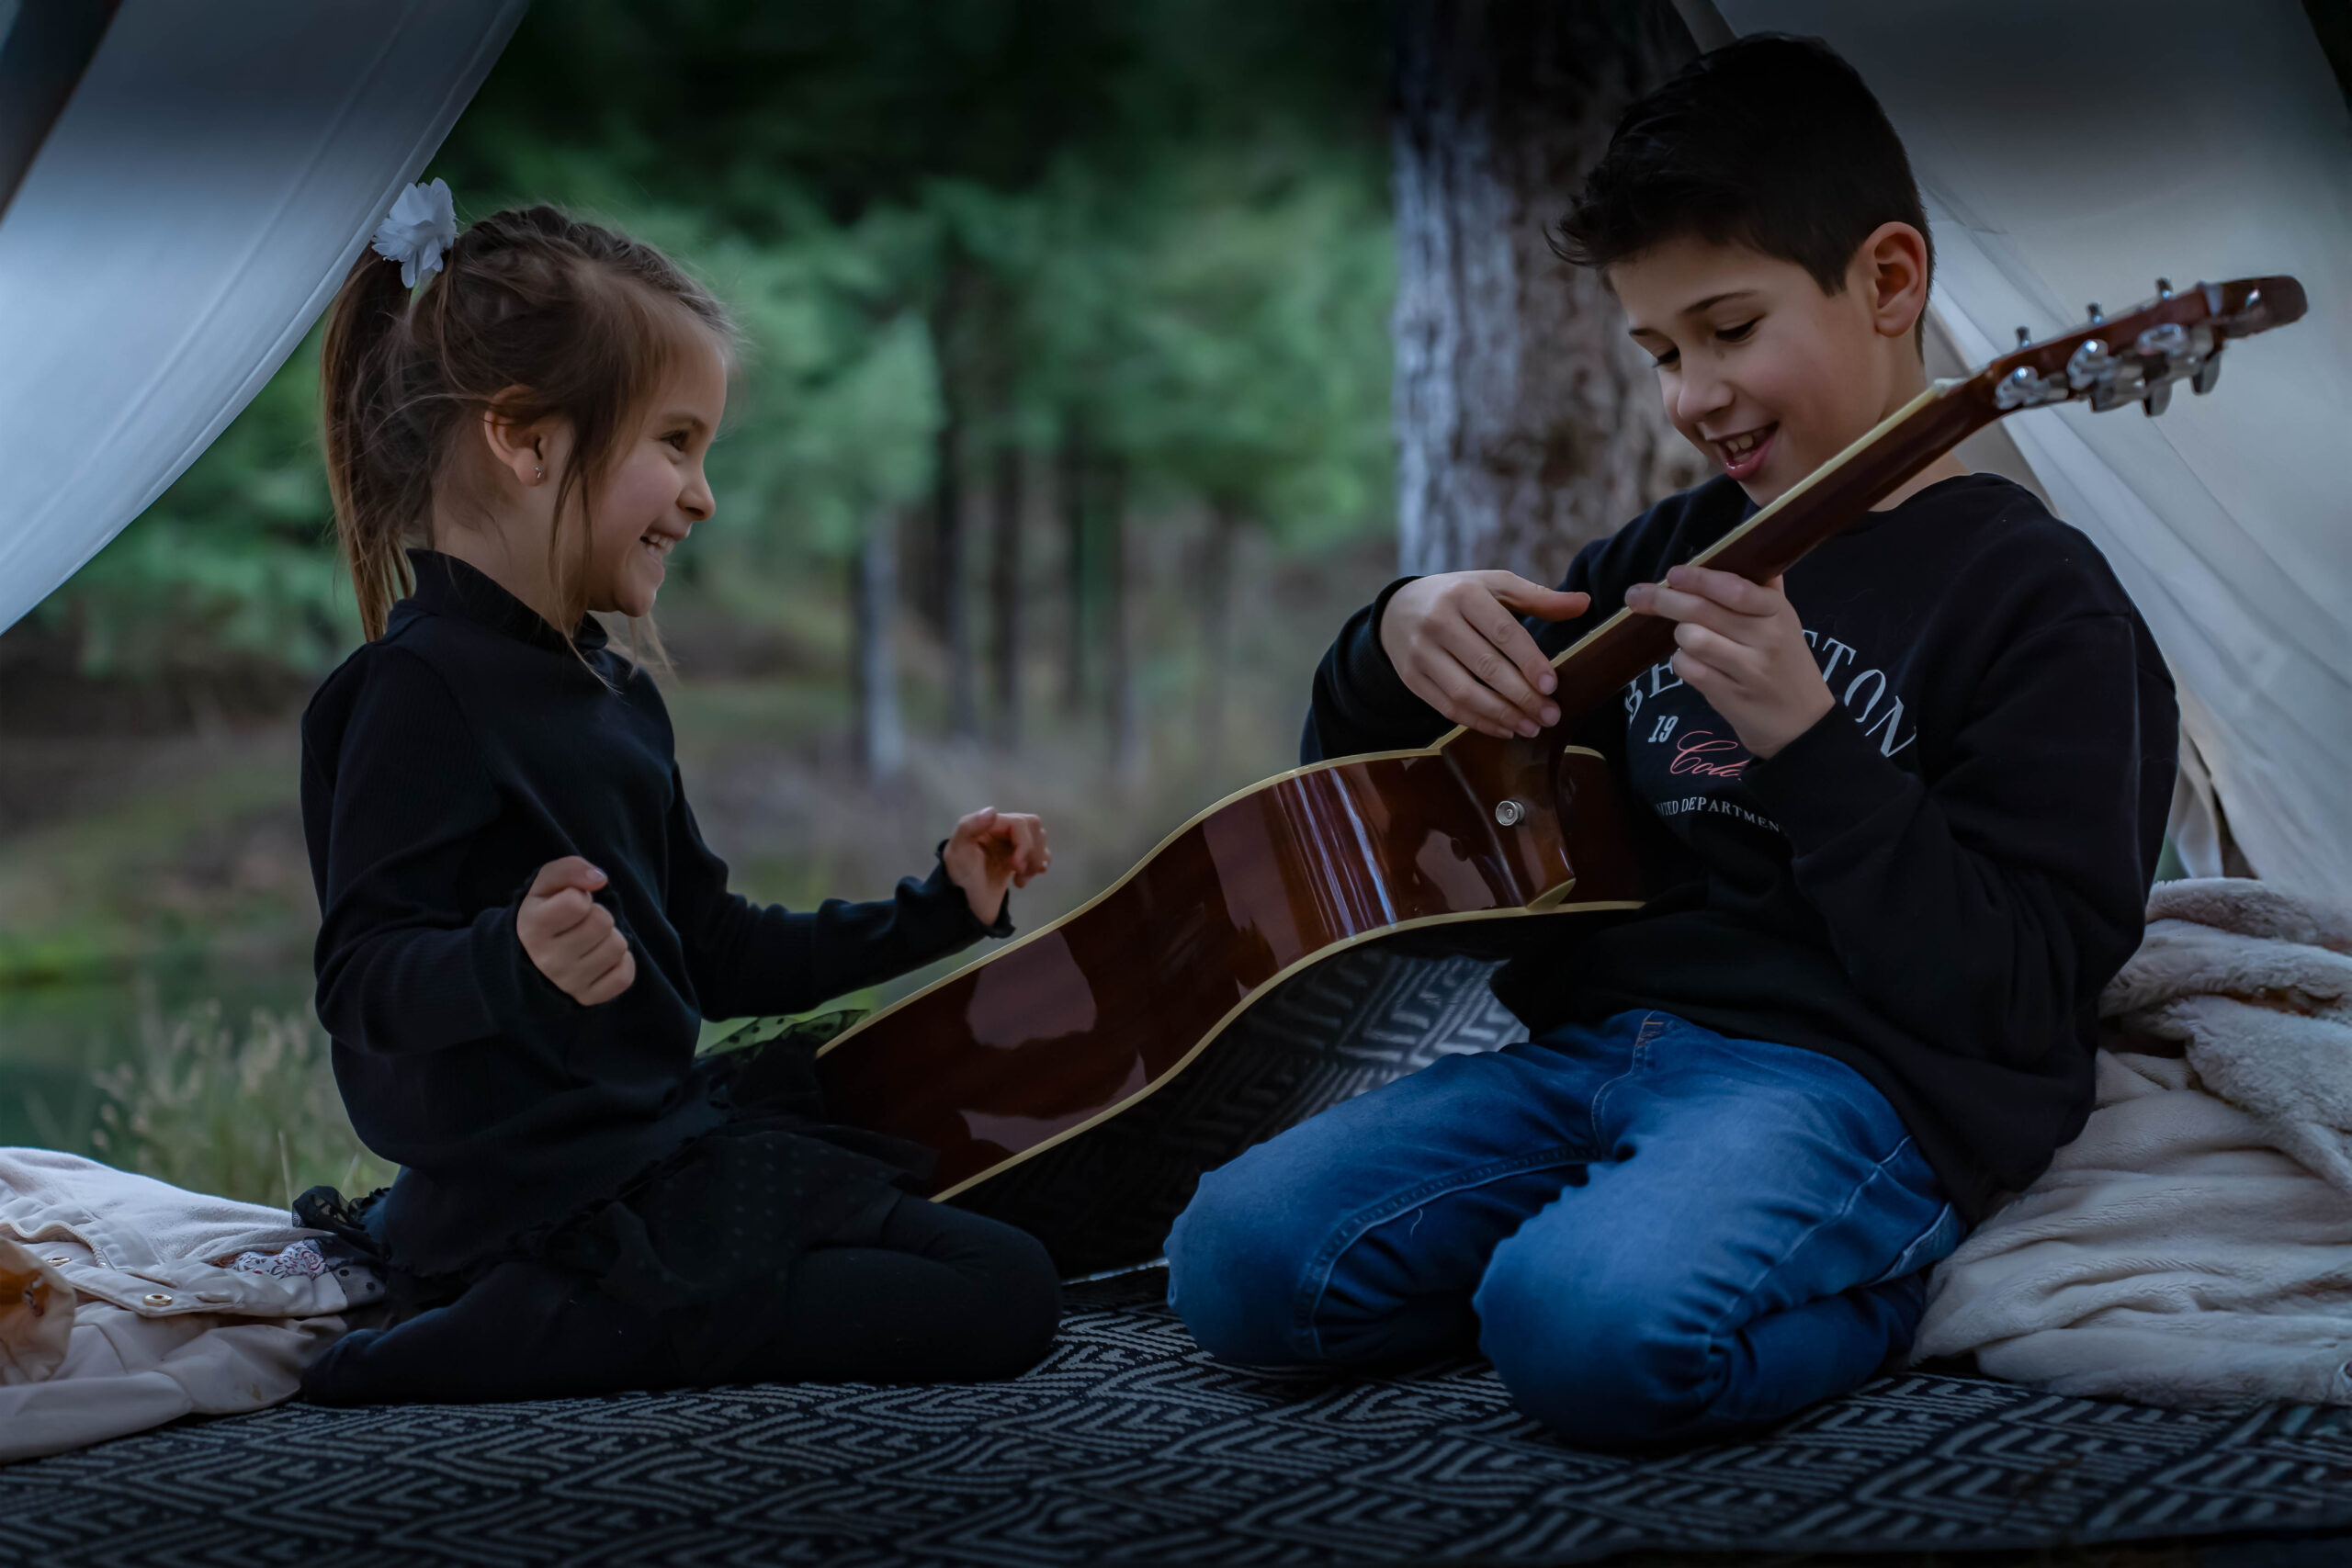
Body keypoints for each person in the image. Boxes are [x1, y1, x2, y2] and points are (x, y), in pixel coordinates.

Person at [1164, 35, 2179, 1447]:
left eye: (1728, 328)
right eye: (1658, 351)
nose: (1690, 396)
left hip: (1852, 1090)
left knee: (1584, 1336)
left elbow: (2015, 997)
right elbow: (1435, 831)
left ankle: (1871, 1292)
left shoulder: (2041, 604)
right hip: (1595, 1055)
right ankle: (1581, 1268)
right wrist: (1393, 639)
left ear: (1888, 282)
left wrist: (1811, 745)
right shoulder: (1663, 555)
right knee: (1228, 1262)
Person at [294, 197, 1061, 1403]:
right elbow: (360, 979)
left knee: (1011, 1257)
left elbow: (708, 951)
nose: (702, 494)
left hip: (654, 1156)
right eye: (676, 443)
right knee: (998, 1300)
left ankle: (609, 1312)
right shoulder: (413, 693)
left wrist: (942, 911)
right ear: (527, 440)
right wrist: (513, 958)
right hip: (529, 1209)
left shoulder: (608, 690)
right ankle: (527, 1328)